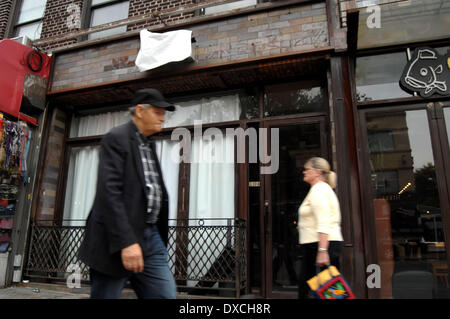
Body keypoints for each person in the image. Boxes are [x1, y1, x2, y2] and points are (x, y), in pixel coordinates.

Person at [78, 88, 177, 299]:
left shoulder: (148, 144)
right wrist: (127, 242)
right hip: (117, 239)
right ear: (140, 110)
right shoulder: (116, 138)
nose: (163, 117)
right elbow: (109, 193)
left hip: (151, 237)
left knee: (165, 296)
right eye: (158, 112)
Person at [297, 157, 343, 299]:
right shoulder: (323, 189)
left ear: (318, 172)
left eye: (307, 169)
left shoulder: (318, 190)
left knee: (315, 291)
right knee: (329, 292)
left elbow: (323, 221)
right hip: (320, 244)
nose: (304, 172)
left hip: (319, 245)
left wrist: (322, 250)